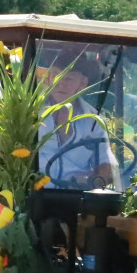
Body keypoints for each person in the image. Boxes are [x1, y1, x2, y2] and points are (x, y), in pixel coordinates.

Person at [38, 58, 115, 188]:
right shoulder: (30, 112)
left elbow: (107, 164)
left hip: (76, 198)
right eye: (56, 75)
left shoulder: (94, 121)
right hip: (33, 196)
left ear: (82, 83)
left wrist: (95, 179)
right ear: (48, 78)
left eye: (68, 78)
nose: (60, 83)